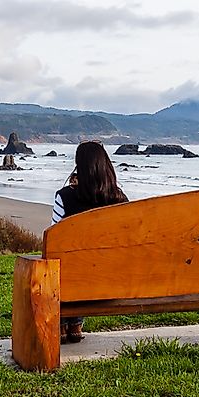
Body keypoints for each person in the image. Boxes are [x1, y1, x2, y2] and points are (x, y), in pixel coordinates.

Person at [50, 141, 128, 343]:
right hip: (112, 280)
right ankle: (74, 324)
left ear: (79, 166)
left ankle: (67, 322)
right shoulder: (120, 199)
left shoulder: (65, 197)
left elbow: (54, 244)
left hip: (75, 280)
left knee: (65, 264)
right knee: (91, 264)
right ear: (106, 165)